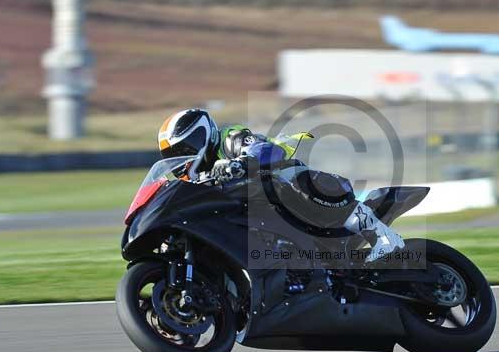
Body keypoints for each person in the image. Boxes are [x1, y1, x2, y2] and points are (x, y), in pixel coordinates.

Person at [157, 108, 404, 261]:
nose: (182, 157)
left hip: (282, 194)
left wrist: (241, 163)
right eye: (174, 155)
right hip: (252, 221)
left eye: (185, 148)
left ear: (202, 135)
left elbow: (266, 150)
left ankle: (381, 235)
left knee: (295, 178)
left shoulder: (230, 139)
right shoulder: (195, 180)